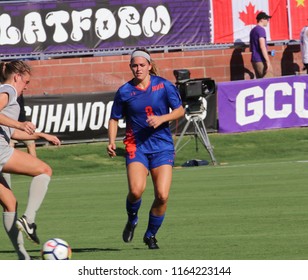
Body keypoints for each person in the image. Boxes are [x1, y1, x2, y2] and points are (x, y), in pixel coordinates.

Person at [107, 48, 185, 249]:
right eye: (134, 65)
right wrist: (111, 141)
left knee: (162, 195)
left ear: (149, 66)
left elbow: (180, 110)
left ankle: (150, 235)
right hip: (136, 146)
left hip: (162, 147)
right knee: (136, 191)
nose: (138, 69)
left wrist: (162, 118)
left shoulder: (164, 86)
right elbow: (114, 119)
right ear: (130, 67)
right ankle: (132, 219)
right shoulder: (124, 91)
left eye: (142, 65)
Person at [0, 60, 61, 260]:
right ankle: (29, 219)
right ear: (17, 77)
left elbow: (13, 133)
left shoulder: (10, 95)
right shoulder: (8, 89)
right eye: (26, 81)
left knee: (10, 204)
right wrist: (19, 123)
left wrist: (41, 135)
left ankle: (23, 257)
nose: (27, 85)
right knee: (44, 170)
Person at [3, 93, 37, 187]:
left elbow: (21, 111)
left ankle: (35, 170)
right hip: (9, 127)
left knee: (31, 144)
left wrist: (23, 124)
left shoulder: (19, 93)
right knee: (6, 153)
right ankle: (7, 186)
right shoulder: (5, 93)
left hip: (22, 126)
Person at [249, 12, 273, 78]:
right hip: (260, 60)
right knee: (269, 80)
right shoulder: (261, 30)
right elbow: (262, 46)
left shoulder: (253, 30)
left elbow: (251, 47)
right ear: (261, 20)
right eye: (267, 19)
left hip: (254, 59)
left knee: (260, 83)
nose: (268, 21)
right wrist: (268, 62)